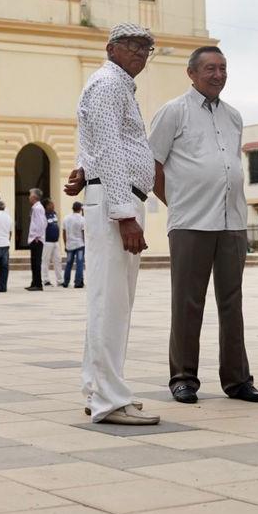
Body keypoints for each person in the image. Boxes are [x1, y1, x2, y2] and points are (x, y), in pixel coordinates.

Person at [150, 45, 258, 405]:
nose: (218, 75)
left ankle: (237, 379)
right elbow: (152, 166)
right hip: (191, 222)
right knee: (188, 302)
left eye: (223, 68)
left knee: (232, 302)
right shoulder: (173, 112)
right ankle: (183, 377)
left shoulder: (233, 116)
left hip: (232, 221)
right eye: (210, 68)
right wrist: (179, 204)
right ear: (192, 74)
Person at [64, 22, 161, 426]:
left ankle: (101, 388)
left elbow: (100, 144)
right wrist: (124, 214)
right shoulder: (108, 85)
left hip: (112, 195)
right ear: (111, 49)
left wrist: (83, 170)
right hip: (115, 204)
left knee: (111, 301)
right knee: (111, 303)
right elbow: (109, 147)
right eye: (132, 46)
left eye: (145, 48)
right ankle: (108, 399)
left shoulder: (117, 86)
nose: (139, 53)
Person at [25, 187, 46, 291]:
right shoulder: (36, 207)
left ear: (34, 197)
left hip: (36, 239)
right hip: (34, 238)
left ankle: (38, 284)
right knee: (34, 262)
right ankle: (34, 282)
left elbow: (41, 223)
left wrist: (37, 236)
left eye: (30, 195)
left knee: (36, 262)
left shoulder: (37, 208)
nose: (29, 197)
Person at [62, 201, 86, 288]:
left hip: (69, 244)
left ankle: (66, 281)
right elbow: (84, 233)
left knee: (69, 263)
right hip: (79, 244)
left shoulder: (66, 218)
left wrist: (65, 244)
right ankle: (78, 282)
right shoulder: (82, 219)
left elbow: (64, 232)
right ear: (80, 209)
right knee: (79, 263)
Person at [42, 199, 62, 287]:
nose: (53, 205)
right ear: (46, 206)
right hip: (47, 242)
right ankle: (45, 280)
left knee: (58, 260)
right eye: (51, 204)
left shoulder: (54, 213)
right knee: (46, 261)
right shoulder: (43, 215)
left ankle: (60, 280)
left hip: (56, 242)